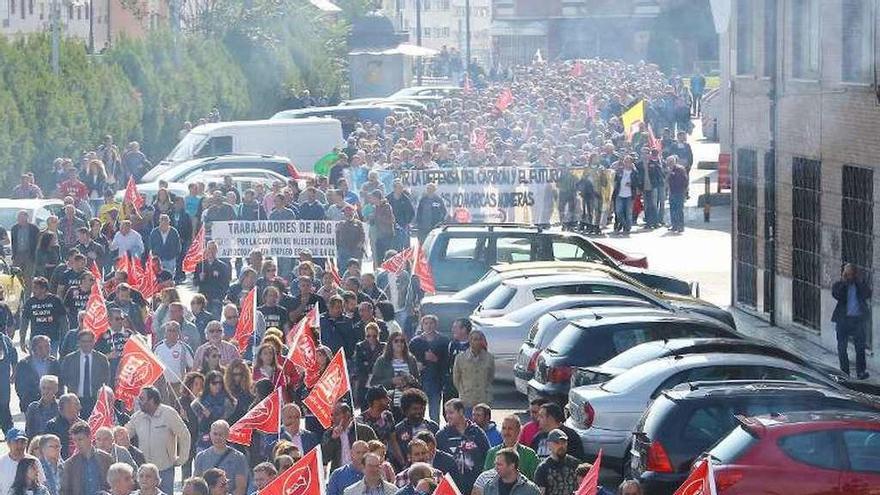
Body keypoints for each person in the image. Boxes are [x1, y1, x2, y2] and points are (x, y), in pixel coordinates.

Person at [126, 386, 192, 495]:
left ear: (151, 400)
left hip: (165, 470)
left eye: (142, 399)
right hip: (144, 472)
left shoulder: (169, 413)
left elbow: (184, 435)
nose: (138, 402)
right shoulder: (138, 417)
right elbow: (125, 433)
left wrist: (182, 459)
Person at [435, 399, 490, 494]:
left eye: (451, 413)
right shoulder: (441, 435)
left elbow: (488, 456)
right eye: (446, 413)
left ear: (461, 412)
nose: (447, 416)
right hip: (451, 486)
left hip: (475, 486)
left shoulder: (477, 432)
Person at [832, 263, 872, 379]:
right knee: (842, 347)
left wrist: (857, 281)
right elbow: (837, 295)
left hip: (857, 320)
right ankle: (844, 373)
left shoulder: (859, 285)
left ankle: (861, 372)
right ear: (844, 274)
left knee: (860, 348)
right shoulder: (839, 285)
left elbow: (868, 294)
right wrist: (844, 283)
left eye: (851, 274)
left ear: (855, 274)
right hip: (843, 321)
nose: (849, 276)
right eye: (847, 274)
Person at [60, 329, 111, 417]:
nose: (86, 344)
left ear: (94, 342)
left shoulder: (101, 359)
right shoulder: (69, 359)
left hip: (95, 400)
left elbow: (106, 379)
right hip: (75, 400)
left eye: (89, 341)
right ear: (79, 342)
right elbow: (63, 378)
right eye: (83, 341)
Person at [409, 315, 450, 423]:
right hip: (419, 381)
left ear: (436, 325)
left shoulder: (444, 341)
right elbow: (409, 359)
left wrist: (437, 359)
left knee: (434, 412)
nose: (429, 326)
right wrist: (418, 363)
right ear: (422, 325)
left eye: (431, 323)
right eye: (426, 323)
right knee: (417, 410)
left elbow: (448, 361)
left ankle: (435, 433)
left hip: (436, 381)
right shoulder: (415, 342)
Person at [193, 421, 248, 495]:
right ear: (210, 434)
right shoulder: (201, 456)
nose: (217, 437)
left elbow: (241, 487)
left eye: (221, 434)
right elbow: (196, 485)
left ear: (228, 435)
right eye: (215, 434)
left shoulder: (238, 457)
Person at [60, 421, 114, 495]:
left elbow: (114, 484)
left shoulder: (106, 458)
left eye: (80, 439)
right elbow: (65, 490)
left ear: (90, 437)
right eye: (74, 440)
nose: (77, 444)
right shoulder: (70, 464)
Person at [322, 403, 378, 471]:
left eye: (336, 414)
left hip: (362, 472)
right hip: (340, 474)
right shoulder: (329, 433)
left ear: (347, 415)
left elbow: (377, 451)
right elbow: (325, 458)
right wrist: (333, 439)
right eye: (332, 415)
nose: (333, 418)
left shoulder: (364, 430)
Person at [20, 277, 68, 355]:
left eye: (36, 288)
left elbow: (64, 321)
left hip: (53, 340)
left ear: (44, 289)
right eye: (33, 288)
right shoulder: (30, 302)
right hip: (35, 340)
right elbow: (24, 322)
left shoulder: (55, 300)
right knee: (34, 365)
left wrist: (66, 339)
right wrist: (22, 340)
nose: (33, 291)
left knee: (51, 363)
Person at [452, 330, 494, 411]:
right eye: (475, 339)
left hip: (483, 399)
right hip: (467, 399)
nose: (477, 342)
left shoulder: (489, 358)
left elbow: (490, 377)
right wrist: (463, 391)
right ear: (470, 341)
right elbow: (456, 378)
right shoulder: (461, 358)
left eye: (479, 339)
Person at [20, 356, 60, 436]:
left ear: (56, 390)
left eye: (49, 388)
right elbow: (29, 431)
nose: (46, 391)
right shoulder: (33, 407)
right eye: (43, 388)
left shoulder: (61, 406)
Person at [0, 429, 45, 495]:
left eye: (23, 442)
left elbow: (41, 483)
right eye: (16, 442)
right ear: (8, 443)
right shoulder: (1, 462)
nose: (20, 445)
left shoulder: (34, 461)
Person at [533, 430, 579, 495]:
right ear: (549, 444)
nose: (561, 446)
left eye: (563, 442)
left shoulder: (575, 464)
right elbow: (540, 493)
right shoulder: (543, 468)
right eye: (556, 443)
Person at [46, 394, 81, 459]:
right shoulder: (52, 426)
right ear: (64, 409)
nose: (79, 407)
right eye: (76, 405)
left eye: (77, 405)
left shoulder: (82, 425)